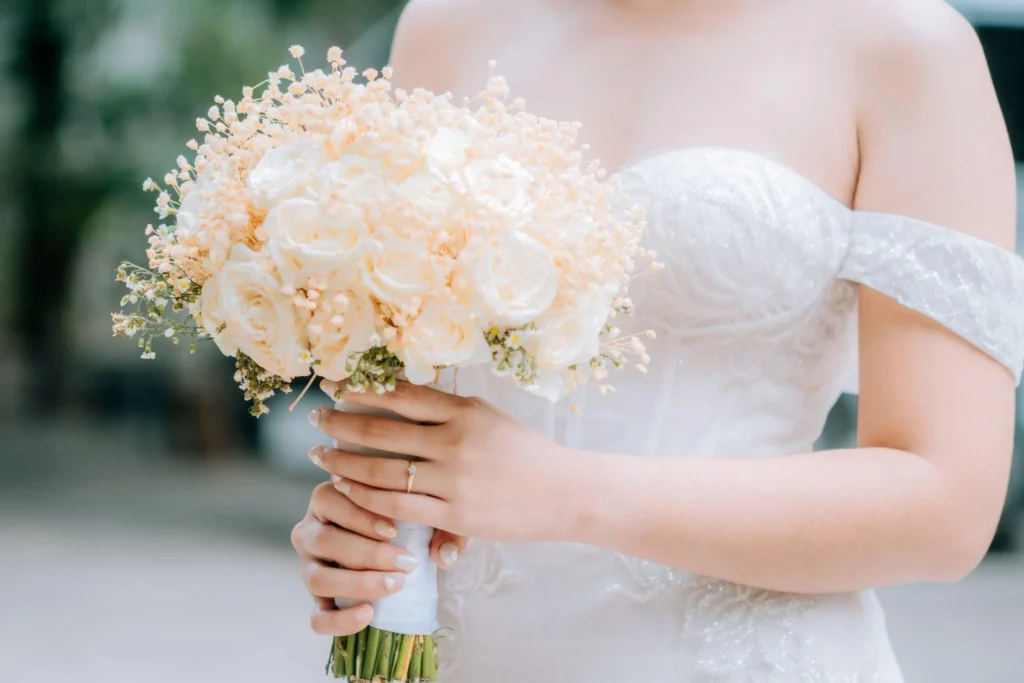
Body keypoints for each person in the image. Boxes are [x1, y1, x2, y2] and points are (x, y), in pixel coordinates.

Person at [290, 0, 1023, 679]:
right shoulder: (446, 24)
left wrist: (564, 491)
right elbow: (414, 389)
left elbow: (945, 502)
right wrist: (362, 535)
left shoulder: (904, 47)